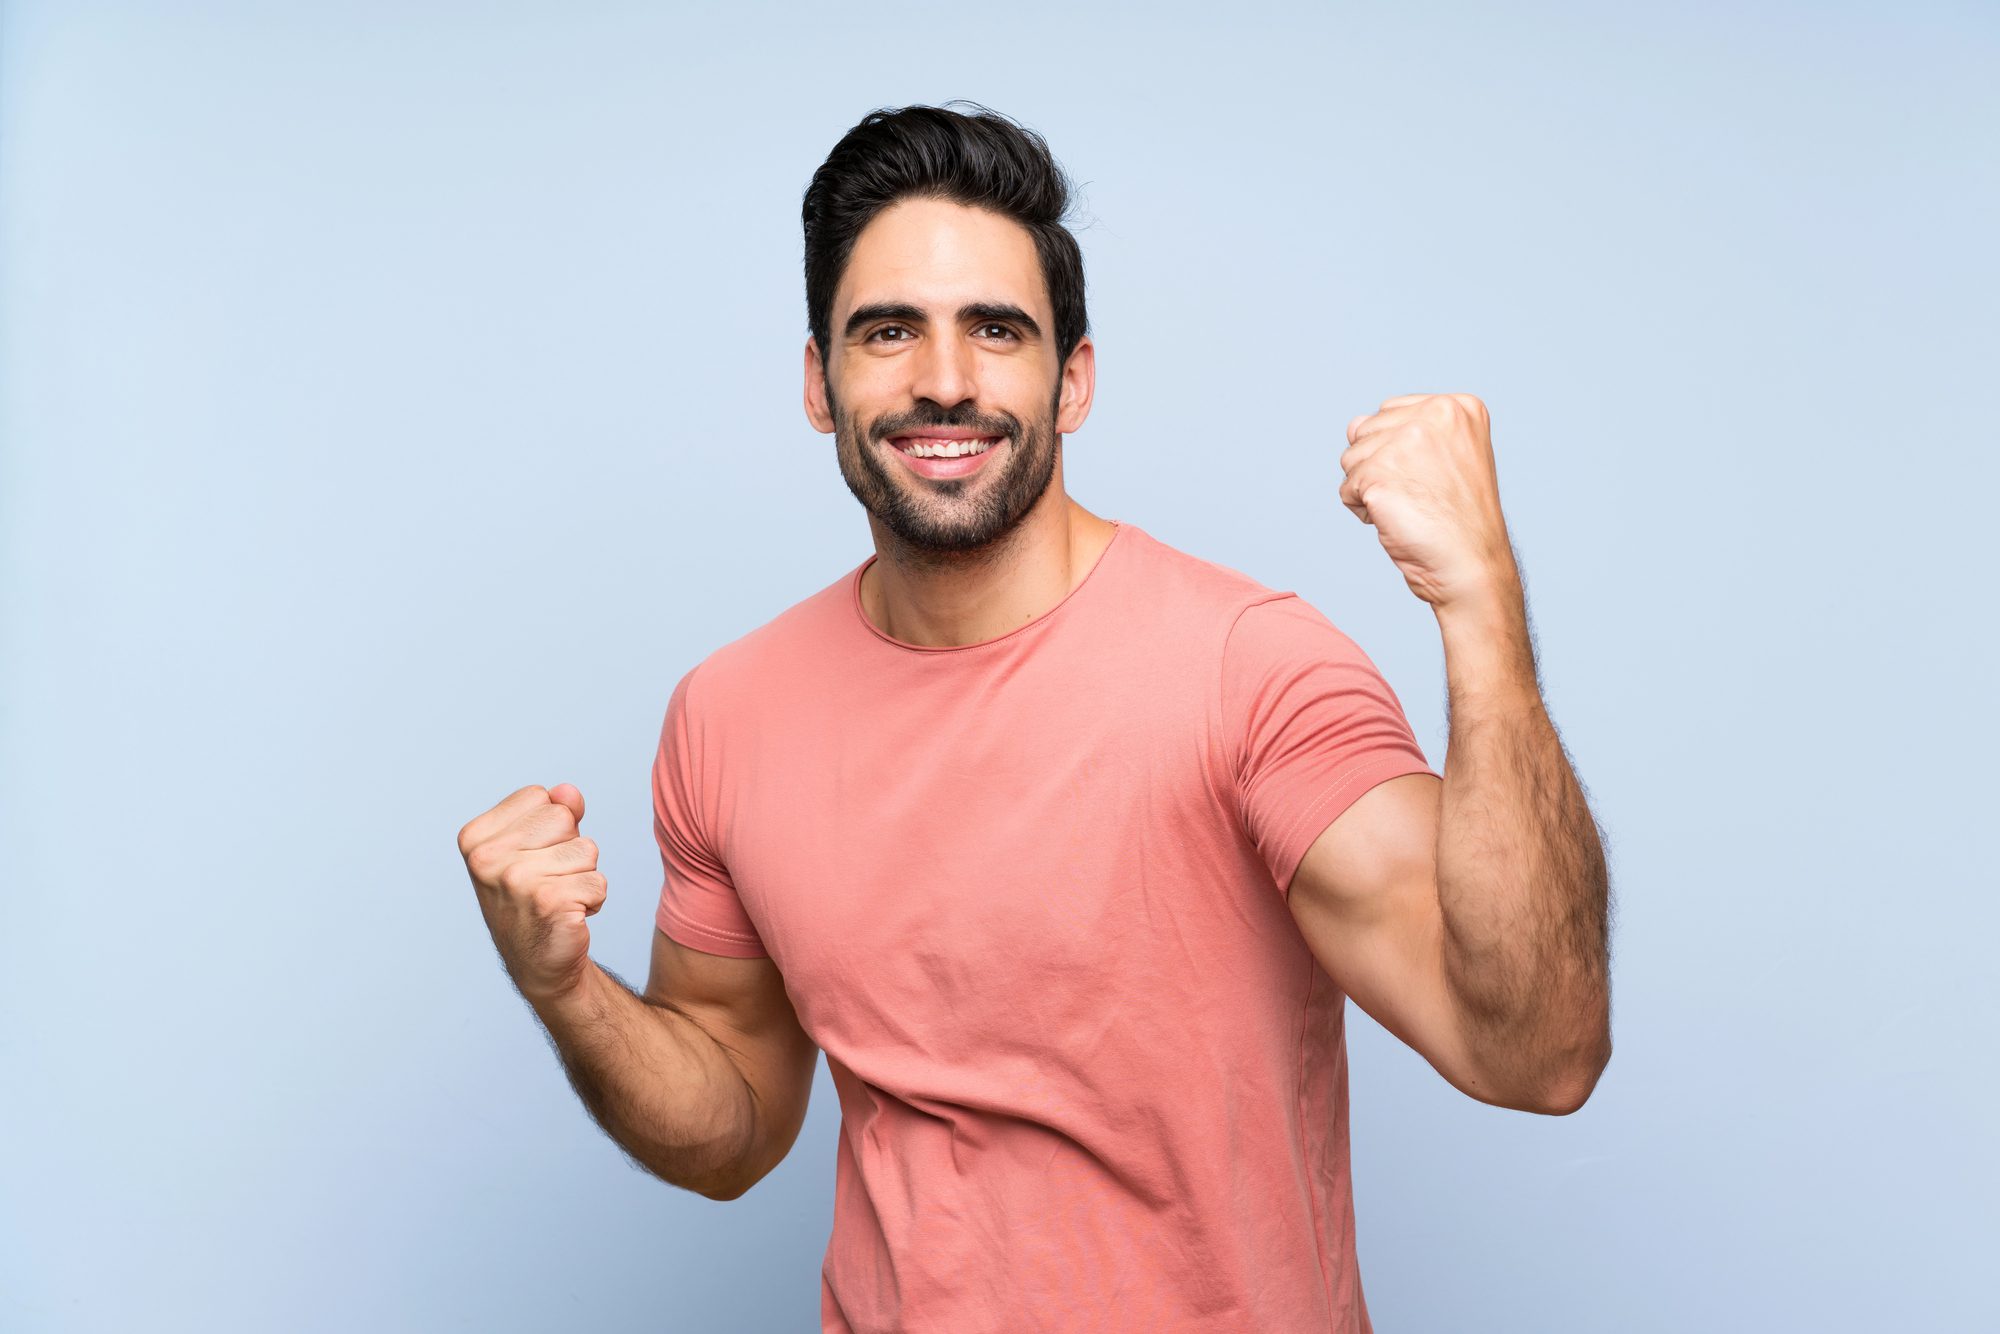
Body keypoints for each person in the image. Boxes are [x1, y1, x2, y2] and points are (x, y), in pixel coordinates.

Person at [457, 101, 1612, 1334]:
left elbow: (1534, 1049)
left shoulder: (1248, 670)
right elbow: (732, 1121)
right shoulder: (726, 713)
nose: (943, 381)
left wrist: (1479, 605)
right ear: (817, 380)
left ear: (1073, 378)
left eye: (995, 331)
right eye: (887, 329)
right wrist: (564, 988)